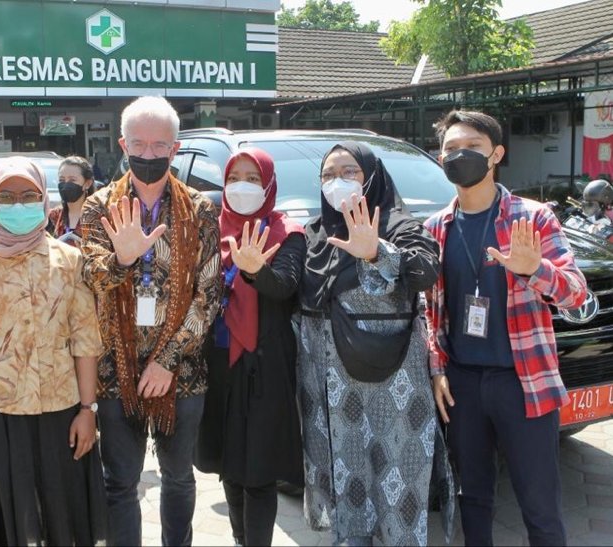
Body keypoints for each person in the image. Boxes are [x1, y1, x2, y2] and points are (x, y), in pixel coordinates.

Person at [425, 110, 588, 546]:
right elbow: (431, 312)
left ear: (496, 154)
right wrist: (438, 369)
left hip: (523, 380)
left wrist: (535, 269)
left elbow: (575, 293)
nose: (460, 155)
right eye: (451, 149)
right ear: (440, 159)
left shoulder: (532, 218)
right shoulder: (435, 228)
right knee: (472, 498)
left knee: (539, 505)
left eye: (472, 147)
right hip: (462, 383)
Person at [0, 157, 107, 546]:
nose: (18, 204)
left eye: (28, 195)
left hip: (61, 412)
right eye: (6, 197)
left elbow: (85, 340)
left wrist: (88, 410)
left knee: (64, 521)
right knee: (8, 523)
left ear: (44, 199)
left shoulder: (68, 259)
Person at [80, 96, 221, 547]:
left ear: (175, 149)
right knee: (120, 482)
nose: (149, 154)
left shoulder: (201, 210)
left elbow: (208, 295)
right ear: (123, 145)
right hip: (115, 371)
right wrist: (122, 260)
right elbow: (92, 277)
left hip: (182, 372)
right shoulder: (98, 207)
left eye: (160, 145)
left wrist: (167, 361)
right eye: (139, 144)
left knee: (178, 479)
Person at [298, 141, 450, 546]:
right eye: (329, 175)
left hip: (391, 385)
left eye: (349, 172)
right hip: (330, 390)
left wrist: (377, 252)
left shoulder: (400, 226)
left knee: (397, 489)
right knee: (347, 492)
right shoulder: (315, 233)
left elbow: (425, 271)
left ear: (372, 177)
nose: (338, 181)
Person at [194, 148, 305, 547]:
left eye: (253, 179)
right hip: (218, 364)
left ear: (269, 185)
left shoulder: (287, 232)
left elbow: (286, 286)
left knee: (258, 474)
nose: (242, 186)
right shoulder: (211, 229)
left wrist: (256, 270)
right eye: (234, 178)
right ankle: (241, 540)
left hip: (264, 368)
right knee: (230, 467)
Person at [48, 155, 96, 245]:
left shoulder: (98, 218)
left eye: (72, 180)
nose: (66, 184)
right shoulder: (53, 217)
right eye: (62, 180)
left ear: (87, 184)